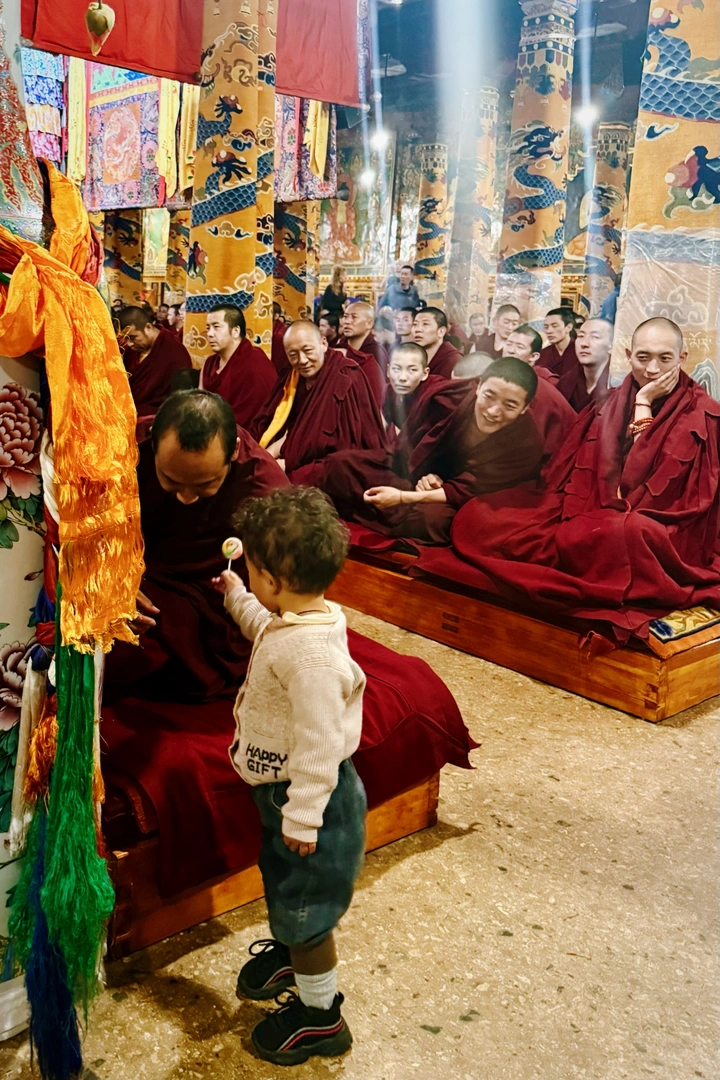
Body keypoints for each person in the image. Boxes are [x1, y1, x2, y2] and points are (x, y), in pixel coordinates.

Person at [425, 318, 720, 641]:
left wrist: (643, 403)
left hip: (656, 520)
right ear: (628, 355)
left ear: (682, 358)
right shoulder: (609, 402)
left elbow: (647, 482)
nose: (652, 369)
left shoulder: (701, 414)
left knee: (630, 531)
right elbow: (568, 474)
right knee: (480, 514)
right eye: (643, 357)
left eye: (664, 358)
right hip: (591, 507)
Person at [212, 487, 364, 1065]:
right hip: (284, 794)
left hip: (310, 803)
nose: (250, 579)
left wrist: (302, 816)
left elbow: (320, 743)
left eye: (252, 572)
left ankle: (321, 1017)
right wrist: (236, 596)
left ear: (273, 580)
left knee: (309, 913)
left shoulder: (312, 657)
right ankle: (289, 952)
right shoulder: (298, 619)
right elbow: (267, 630)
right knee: (287, 889)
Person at [105, 390, 289, 701]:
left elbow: (273, 588)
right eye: (171, 480)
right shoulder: (127, 445)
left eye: (205, 485)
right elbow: (93, 521)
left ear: (234, 452)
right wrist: (115, 577)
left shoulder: (265, 489)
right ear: (153, 441)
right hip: (135, 568)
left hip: (209, 595)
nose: (185, 498)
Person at [322, 358, 543, 544]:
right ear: (478, 387)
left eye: (510, 405)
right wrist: (427, 475)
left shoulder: (525, 443)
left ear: (525, 407)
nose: (494, 411)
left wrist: (401, 497)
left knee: (433, 521)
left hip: (451, 498)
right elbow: (410, 448)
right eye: (489, 396)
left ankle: (370, 509)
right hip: (417, 475)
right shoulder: (451, 398)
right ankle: (387, 514)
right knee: (340, 465)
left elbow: (467, 491)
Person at [250, 321, 387, 486]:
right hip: (296, 460)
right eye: (293, 354)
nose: (302, 360)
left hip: (331, 471)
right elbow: (289, 431)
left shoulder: (347, 377)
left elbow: (348, 448)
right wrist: (267, 457)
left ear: (323, 344)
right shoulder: (292, 379)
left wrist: (286, 464)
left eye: (308, 351)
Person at [503, 324, 576, 460]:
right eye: (508, 344)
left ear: (534, 356)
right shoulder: (500, 376)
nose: (510, 351)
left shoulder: (543, 384)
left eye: (519, 347)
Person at [200, 305, 277, 431]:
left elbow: (260, 416)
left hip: (244, 436)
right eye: (208, 328)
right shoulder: (209, 364)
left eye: (216, 327)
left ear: (235, 331)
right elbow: (200, 403)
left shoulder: (255, 364)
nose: (209, 334)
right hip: (210, 430)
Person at [118, 305, 193, 418]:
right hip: (125, 413)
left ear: (148, 327)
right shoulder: (130, 350)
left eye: (133, 337)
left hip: (156, 419)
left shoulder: (174, 351)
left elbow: (180, 399)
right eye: (126, 339)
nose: (129, 344)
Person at [556, 318, 613, 412]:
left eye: (595, 337)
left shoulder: (617, 384)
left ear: (612, 345)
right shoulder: (566, 382)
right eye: (580, 336)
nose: (584, 343)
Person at [336, 301, 388, 403]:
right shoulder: (340, 346)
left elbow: (376, 390)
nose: (347, 321)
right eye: (345, 317)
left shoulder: (375, 352)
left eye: (354, 317)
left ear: (369, 323)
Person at [412, 307, 463, 378]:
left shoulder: (453, 360)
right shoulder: (412, 357)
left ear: (441, 331)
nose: (417, 329)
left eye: (425, 324)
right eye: (415, 324)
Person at [537, 307, 577, 377]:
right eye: (546, 327)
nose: (549, 331)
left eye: (554, 326)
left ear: (568, 327)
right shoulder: (543, 354)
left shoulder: (579, 351)